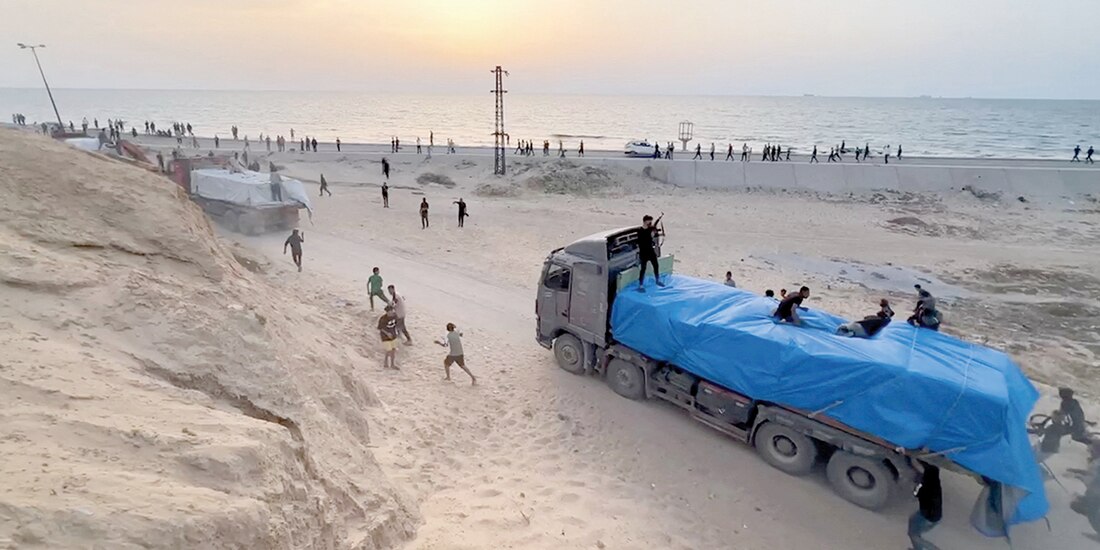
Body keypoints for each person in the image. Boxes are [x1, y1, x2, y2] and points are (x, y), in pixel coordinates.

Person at [908, 461, 943, 550]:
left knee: (915, 535)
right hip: (929, 514)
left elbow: (915, 495)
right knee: (914, 531)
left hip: (927, 516)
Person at [636, 214, 664, 292]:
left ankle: (657, 280)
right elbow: (641, 240)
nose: (650, 223)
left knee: (656, 265)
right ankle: (641, 285)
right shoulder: (640, 230)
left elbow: (655, 231)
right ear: (645, 221)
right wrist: (650, 234)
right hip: (643, 252)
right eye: (649, 221)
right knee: (643, 269)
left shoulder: (650, 229)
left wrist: (656, 234)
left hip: (650, 251)